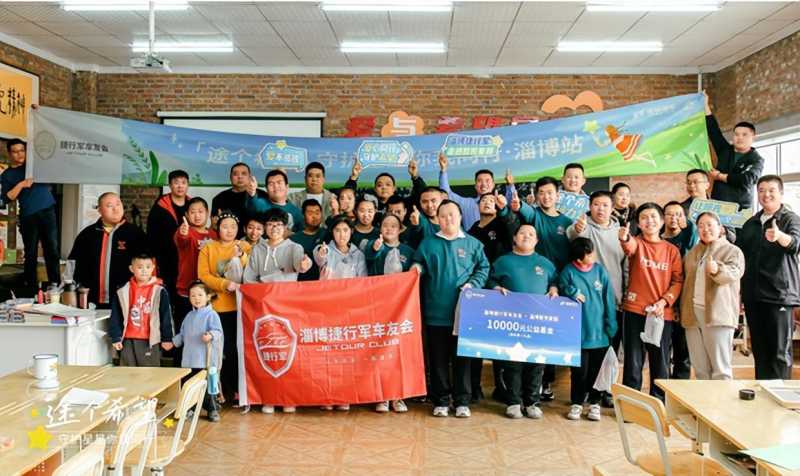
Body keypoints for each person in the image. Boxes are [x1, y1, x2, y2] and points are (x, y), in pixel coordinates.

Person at [412, 200, 490, 418]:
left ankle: (462, 400)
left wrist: (473, 284)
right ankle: (441, 400)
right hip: (435, 312)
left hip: (464, 313)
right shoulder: (428, 244)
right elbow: (418, 263)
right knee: (438, 359)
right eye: (443, 216)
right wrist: (416, 268)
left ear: (460, 216)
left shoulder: (473, 244)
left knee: (462, 359)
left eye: (452, 215)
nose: (448, 219)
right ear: (437, 219)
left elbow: (484, 267)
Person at [488, 224, 558, 419]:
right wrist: (495, 288)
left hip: (538, 323)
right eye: (522, 233)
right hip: (511, 322)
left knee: (536, 363)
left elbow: (555, 280)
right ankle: (513, 402)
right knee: (513, 363)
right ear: (514, 238)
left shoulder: (545, 263)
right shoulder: (502, 261)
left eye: (531, 234)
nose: (526, 236)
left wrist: (554, 288)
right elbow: (490, 280)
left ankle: (532, 402)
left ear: (537, 240)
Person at [737, 175, 800, 379]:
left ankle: (781, 395)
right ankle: (763, 392)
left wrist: (780, 236)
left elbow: (795, 244)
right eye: (762, 190)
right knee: (761, 352)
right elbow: (740, 252)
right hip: (754, 296)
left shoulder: (790, 219)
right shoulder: (751, 223)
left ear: (781, 193)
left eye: (771, 190)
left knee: (779, 353)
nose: (766, 194)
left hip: (779, 296)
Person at [566, 190, 625, 407]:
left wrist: (624, 293)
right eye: (596, 204)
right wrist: (577, 229)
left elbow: (626, 264)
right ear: (589, 206)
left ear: (612, 208)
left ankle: (605, 391)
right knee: (584, 355)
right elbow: (572, 236)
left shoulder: (620, 232)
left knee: (609, 351)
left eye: (605, 205)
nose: (601, 209)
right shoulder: (582, 226)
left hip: (613, 299)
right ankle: (582, 395)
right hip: (585, 304)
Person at [619, 203, 683, 401]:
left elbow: (677, 281)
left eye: (654, 216)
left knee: (660, 361)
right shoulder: (637, 244)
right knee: (633, 360)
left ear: (662, 221)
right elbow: (629, 246)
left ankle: (658, 401)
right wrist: (624, 238)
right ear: (638, 223)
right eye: (644, 217)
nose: (649, 221)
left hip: (661, 314)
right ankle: (631, 402)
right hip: (635, 310)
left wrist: (663, 303)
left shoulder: (672, 250)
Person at [467, 191, 517, 402]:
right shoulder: (472, 230)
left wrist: (504, 210)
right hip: (478, 288)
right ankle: (474, 387)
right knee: (475, 340)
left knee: (499, 341)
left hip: (499, 288)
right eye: (483, 200)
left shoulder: (503, 224)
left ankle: (501, 387)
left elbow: (514, 228)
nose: (487, 203)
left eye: (491, 201)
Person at [681, 212, 744, 380]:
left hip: (718, 315)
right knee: (700, 368)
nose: (705, 229)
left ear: (720, 228)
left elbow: (734, 273)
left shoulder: (732, 251)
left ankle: (721, 398)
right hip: (692, 314)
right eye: (701, 226)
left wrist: (717, 270)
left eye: (709, 225)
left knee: (720, 369)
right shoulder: (692, 253)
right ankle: (704, 398)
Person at [559, 238, 616, 421]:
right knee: (578, 372)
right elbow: (561, 289)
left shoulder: (600, 271)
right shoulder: (568, 271)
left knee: (597, 372)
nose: (593, 256)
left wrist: (611, 324)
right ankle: (576, 403)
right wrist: (572, 292)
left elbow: (609, 298)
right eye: (589, 254)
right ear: (579, 257)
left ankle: (594, 404)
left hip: (599, 333)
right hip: (578, 334)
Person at [197, 211, 251, 403]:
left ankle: (237, 390)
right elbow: (203, 275)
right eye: (225, 226)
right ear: (217, 228)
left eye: (233, 227)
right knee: (218, 352)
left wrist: (241, 256)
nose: (229, 230)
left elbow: (251, 269)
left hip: (240, 307)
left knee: (237, 350)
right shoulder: (208, 248)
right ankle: (217, 391)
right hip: (217, 308)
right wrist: (224, 284)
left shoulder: (244, 246)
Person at [365, 213, 414, 414]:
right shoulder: (374, 246)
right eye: (385, 225)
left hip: (402, 309)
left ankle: (398, 395)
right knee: (379, 353)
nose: (389, 229)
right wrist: (375, 249)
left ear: (400, 229)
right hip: (378, 308)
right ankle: (381, 396)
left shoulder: (408, 251)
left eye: (394, 225)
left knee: (398, 352)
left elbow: (415, 272)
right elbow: (369, 258)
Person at [0, 138, 60, 287]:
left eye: (22, 150)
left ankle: (55, 284)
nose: (19, 154)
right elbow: (7, 197)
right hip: (28, 216)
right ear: (9, 154)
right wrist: (21, 184)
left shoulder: (35, 166)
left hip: (48, 211)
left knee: (52, 249)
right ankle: (30, 287)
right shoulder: (7, 174)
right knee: (31, 253)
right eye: (15, 152)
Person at [70, 192, 146, 307]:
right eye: (109, 206)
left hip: (126, 300)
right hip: (90, 300)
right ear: (99, 210)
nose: (115, 209)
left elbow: (147, 268)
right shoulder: (87, 235)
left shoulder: (135, 234)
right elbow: (72, 266)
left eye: (118, 204)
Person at [109, 253, 174, 367]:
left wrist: (167, 338)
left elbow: (166, 316)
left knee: (149, 373)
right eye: (140, 267)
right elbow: (116, 316)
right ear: (131, 269)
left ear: (153, 268)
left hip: (150, 340)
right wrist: (116, 337)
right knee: (126, 371)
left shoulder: (159, 290)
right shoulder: (122, 290)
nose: (144, 270)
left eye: (148, 267)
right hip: (127, 339)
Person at [172, 280, 223, 422]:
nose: (196, 298)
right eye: (193, 295)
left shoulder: (211, 315)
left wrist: (210, 335)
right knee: (190, 387)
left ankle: (212, 409)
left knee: (209, 386)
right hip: (189, 359)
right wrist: (173, 342)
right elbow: (183, 334)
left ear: (208, 296)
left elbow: (218, 331)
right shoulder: (189, 316)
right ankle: (190, 409)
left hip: (206, 360)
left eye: (200, 295)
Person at [704, 91, 764, 210]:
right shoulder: (725, 150)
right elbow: (713, 131)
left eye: (744, 135)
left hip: (740, 209)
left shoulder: (756, 160)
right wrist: (705, 105)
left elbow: (747, 180)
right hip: (718, 205)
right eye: (736, 134)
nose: (739, 138)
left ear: (753, 137)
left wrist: (720, 176)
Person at [173, 197, 217, 360]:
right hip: (186, 292)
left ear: (207, 213)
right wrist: (183, 233)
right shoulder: (185, 231)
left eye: (200, 212)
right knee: (184, 334)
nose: (197, 215)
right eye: (192, 212)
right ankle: (180, 371)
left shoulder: (214, 234)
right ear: (186, 214)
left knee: (205, 336)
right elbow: (181, 240)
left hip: (208, 293)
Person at [662, 201, 698, 381]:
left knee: (682, 348)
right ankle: (661, 387)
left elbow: (692, 236)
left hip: (683, 298)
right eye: (670, 214)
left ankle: (680, 385)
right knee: (661, 348)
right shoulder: (656, 238)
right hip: (661, 298)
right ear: (663, 217)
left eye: (679, 214)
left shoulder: (687, 238)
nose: (674, 218)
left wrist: (689, 225)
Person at [147, 170, 189, 300]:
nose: (180, 186)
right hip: (166, 257)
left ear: (187, 185)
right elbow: (151, 234)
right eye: (176, 183)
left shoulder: (192, 205)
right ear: (170, 185)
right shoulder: (160, 206)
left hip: (187, 256)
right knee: (167, 292)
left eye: (183, 182)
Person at [241, 208, 311, 284]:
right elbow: (249, 277)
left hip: (286, 290)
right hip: (264, 290)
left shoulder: (294, 247)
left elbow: (299, 264)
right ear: (265, 227)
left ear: (285, 227)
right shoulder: (257, 249)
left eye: (278, 224)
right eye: (270, 224)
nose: (274, 228)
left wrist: (304, 265)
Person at [346, 158, 426, 214]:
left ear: (394, 188)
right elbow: (347, 198)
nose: (384, 187)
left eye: (388, 184)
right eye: (379, 185)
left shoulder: (402, 203)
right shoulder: (368, 205)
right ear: (375, 189)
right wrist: (354, 177)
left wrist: (415, 176)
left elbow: (423, 196)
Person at [437, 152, 495, 229]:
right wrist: (443, 170)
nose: (483, 184)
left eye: (487, 181)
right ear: (475, 186)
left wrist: (509, 185)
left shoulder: (501, 203)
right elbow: (446, 194)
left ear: (493, 185)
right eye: (479, 181)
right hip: (471, 236)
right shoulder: (466, 203)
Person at [681, 169, 736, 243]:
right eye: (689, 183)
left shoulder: (720, 207)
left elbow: (732, 236)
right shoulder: (681, 209)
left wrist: (723, 231)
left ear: (707, 185)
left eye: (695, 182)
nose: (691, 186)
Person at [211, 162, 267, 234]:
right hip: (230, 238)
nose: (240, 177)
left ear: (249, 177)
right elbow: (214, 225)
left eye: (244, 173)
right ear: (230, 177)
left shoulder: (262, 195)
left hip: (257, 238)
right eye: (235, 174)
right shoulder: (219, 198)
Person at [245, 169, 303, 233]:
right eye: (271, 184)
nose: (275, 186)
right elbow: (252, 207)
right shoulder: (260, 204)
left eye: (279, 182)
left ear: (287, 187)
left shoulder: (296, 212)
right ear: (266, 188)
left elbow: (301, 233)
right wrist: (252, 193)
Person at [314, 215, 367, 282]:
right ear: (332, 231)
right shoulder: (326, 250)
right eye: (337, 230)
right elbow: (319, 259)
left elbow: (363, 281)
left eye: (345, 230)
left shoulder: (359, 255)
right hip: (329, 288)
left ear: (351, 231)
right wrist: (321, 254)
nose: (342, 235)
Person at [290, 199, 327, 281]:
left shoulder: (327, 233)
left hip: (324, 283)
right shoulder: (294, 239)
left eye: (317, 213)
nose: (314, 216)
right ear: (303, 216)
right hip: (301, 283)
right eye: (310, 213)